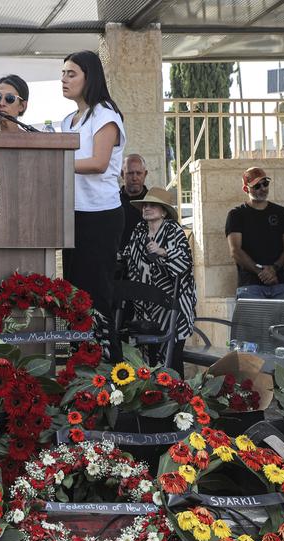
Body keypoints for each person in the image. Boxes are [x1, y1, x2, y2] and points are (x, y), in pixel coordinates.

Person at [60, 50, 126, 361]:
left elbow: (99, 162)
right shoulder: (67, 120)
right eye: (63, 73)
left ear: (90, 77)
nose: (64, 79)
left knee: (95, 296)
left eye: (71, 73)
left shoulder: (105, 114)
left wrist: (56, 162)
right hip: (72, 215)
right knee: (72, 297)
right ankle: (79, 366)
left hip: (100, 217)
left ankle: (110, 372)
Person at [122, 187, 195, 377]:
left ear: (164, 211)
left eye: (153, 205)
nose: (147, 208)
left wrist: (164, 252)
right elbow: (129, 255)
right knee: (147, 361)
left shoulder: (174, 230)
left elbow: (185, 262)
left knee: (171, 361)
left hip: (173, 307)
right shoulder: (139, 230)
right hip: (146, 309)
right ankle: (151, 398)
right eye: (145, 204)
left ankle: (175, 398)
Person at [225, 167, 284, 299]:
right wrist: (261, 272)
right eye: (257, 186)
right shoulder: (236, 215)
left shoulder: (282, 213)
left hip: (280, 283)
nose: (263, 188)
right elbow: (235, 251)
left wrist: (273, 269)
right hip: (250, 285)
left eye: (265, 183)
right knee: (252, 321)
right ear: (246, 189)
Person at [120, 154, 149, 251]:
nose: (135, 178)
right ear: (122, 174)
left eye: (139, 173)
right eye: (130, 173)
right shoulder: (112, 202)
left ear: (145, 174)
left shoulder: (155, 204)